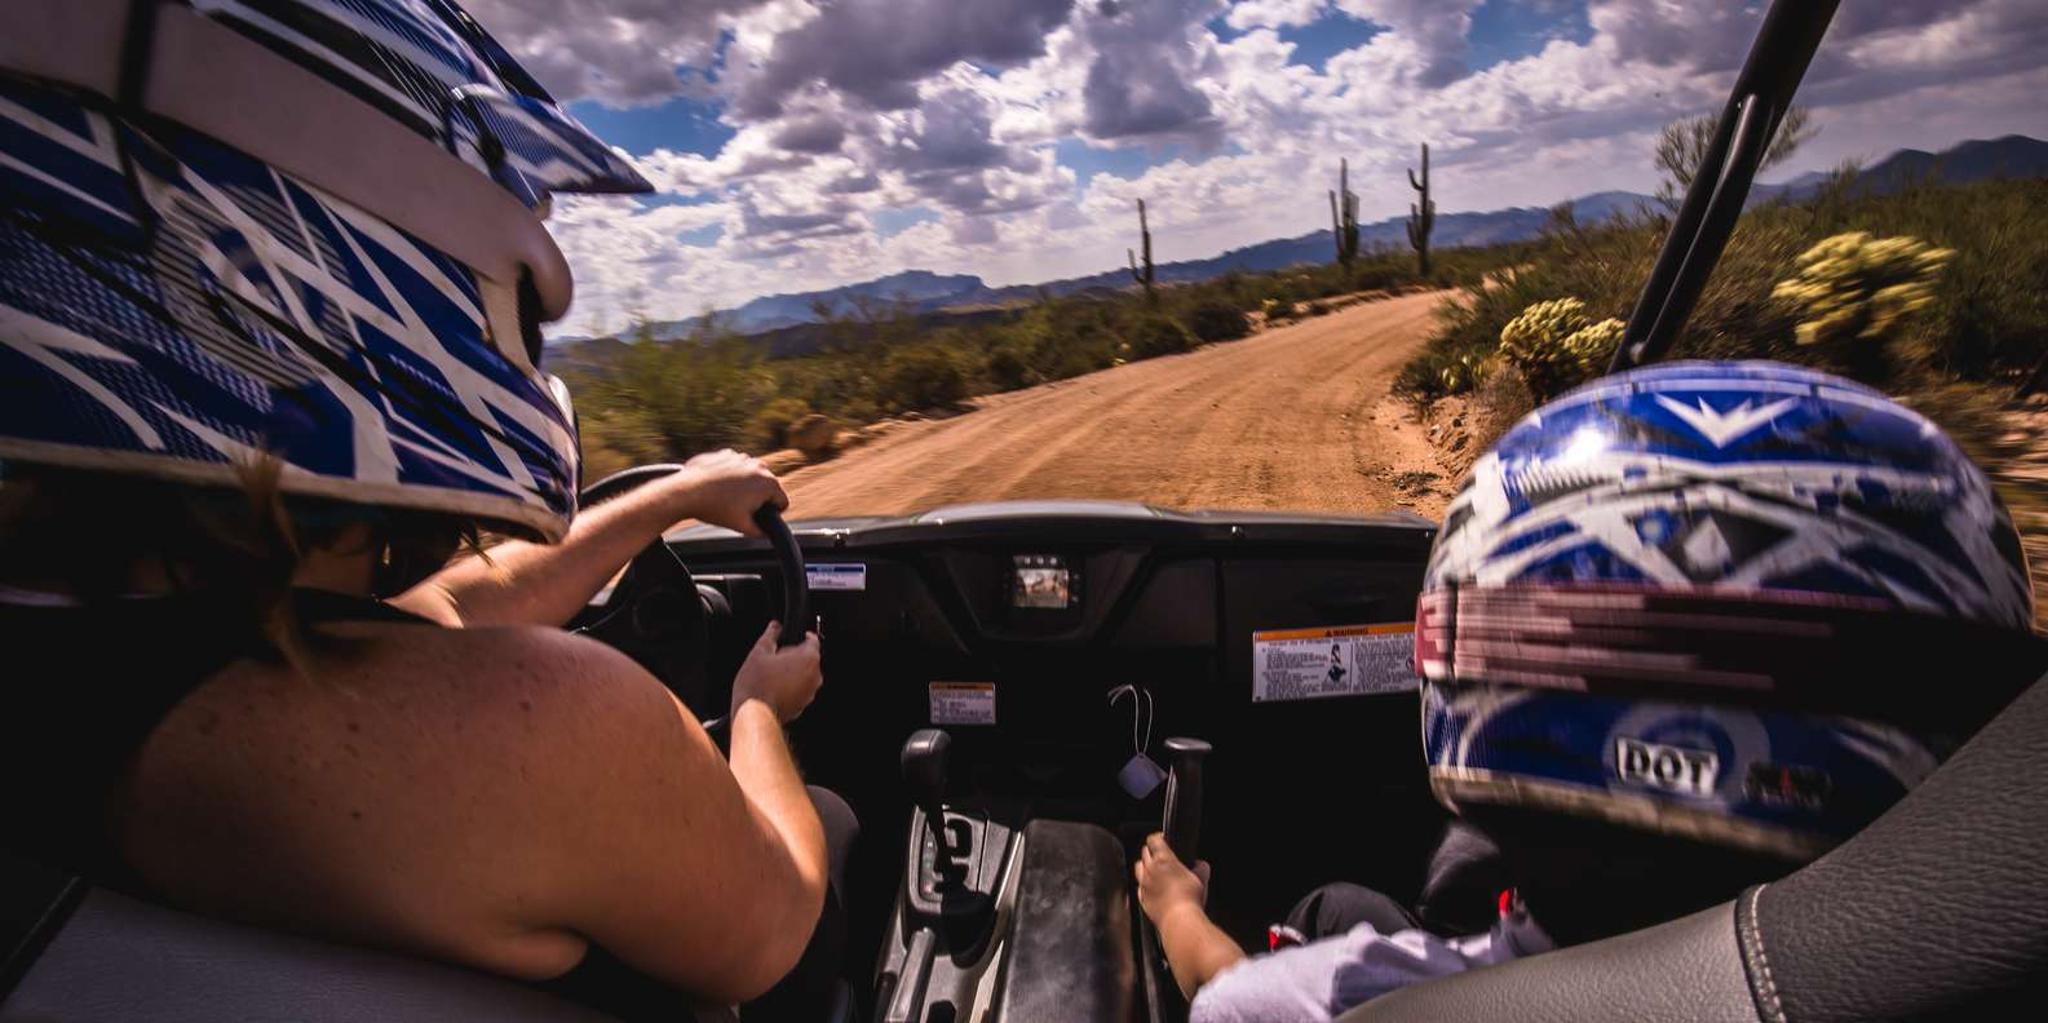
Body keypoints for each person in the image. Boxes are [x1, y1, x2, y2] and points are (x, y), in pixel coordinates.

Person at [0, 1, 848, 1017]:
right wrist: (758, 707)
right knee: (835, 823)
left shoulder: (100, 667)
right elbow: (775, 926)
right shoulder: (543, 727)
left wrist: (673, 494)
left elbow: (445, 612)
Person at [1139, 360, 2045, 1021]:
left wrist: (1177, 905)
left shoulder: (1330, 1008)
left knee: (1333, 909)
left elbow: (1223, 990)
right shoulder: (1982, 961)